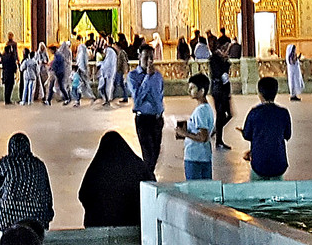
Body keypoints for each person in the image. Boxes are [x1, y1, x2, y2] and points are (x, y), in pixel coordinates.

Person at [0, 133, 52, 243]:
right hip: (36, 220)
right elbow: (47, 194)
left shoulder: (5, 163)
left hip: (8, 219)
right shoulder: (39, 164)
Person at [78, 131, 148, 228]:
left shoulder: (96, 170)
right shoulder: (138, 167)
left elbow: (83, 194)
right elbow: (151, 190)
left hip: (99, 228)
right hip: (132, 228)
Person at [240, 76, 292, 181]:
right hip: (279, 164)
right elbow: (287, 135)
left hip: (259, 164)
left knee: (256, 188)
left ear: (260, 94)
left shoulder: (254, 113)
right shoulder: (283, 113)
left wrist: (243, 132)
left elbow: (247, 135)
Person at [128, 47, 165, 177]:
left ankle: (148, 176)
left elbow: (158, 97)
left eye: (151, 58)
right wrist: (148, 78)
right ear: (139, 57)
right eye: (146, 58)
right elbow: (137, 99)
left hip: (157, 118)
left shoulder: (158, 76)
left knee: (155, 152)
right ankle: (147, 179)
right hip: (143, 119)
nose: (149, 61)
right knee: (148, 153)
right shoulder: (132, 76)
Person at [174, 74, 216, 180]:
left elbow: (203, 137)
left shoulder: (200, 111)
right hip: (204, 156)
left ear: (201, 91)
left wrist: (185, 134)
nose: (189, 91)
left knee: (194, 189)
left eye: (192, 88)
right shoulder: (207, 109)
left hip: (195, 157)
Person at [0, 38, 18, 106]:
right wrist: (15, 70)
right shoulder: (11, 56)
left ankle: (6, 99)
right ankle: (8, 99)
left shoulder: (3, 56)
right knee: (10, 86)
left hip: (5, 73)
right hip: (10, 73)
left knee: (6, 87)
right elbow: (13, 64)